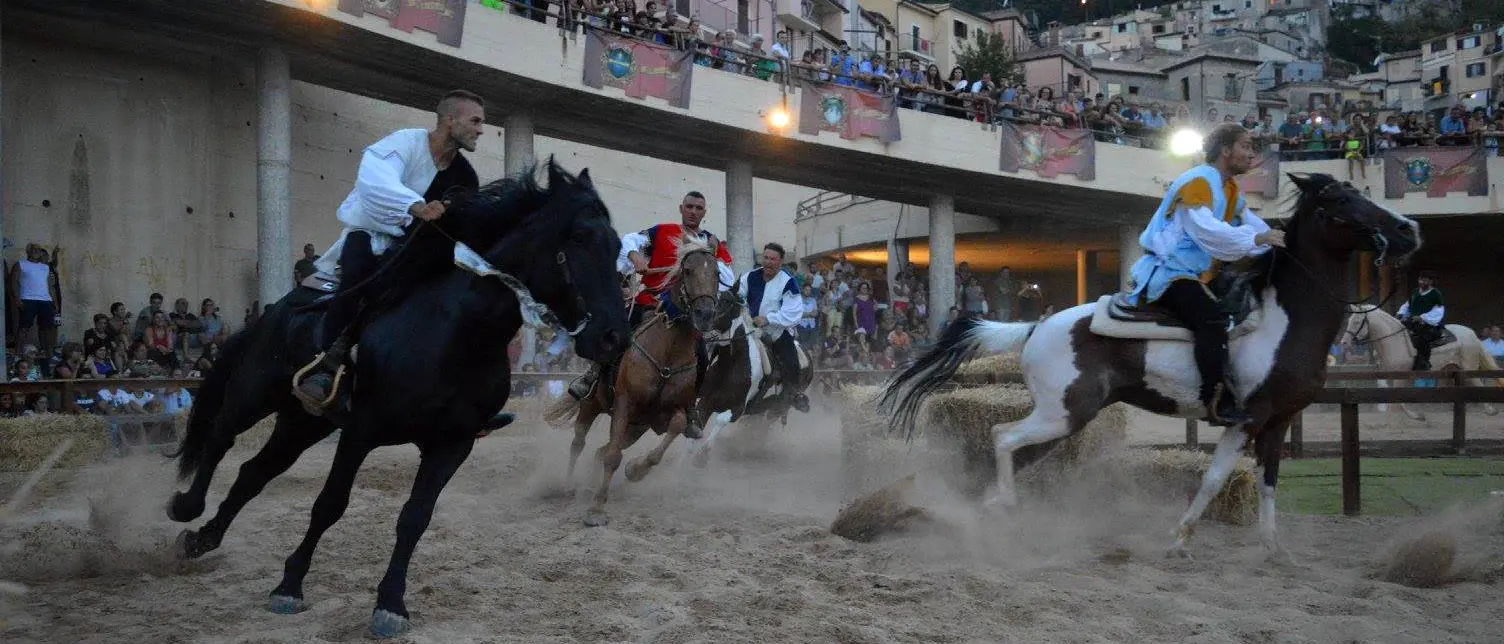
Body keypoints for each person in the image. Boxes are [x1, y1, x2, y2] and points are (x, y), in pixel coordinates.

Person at [293, 89, 486, 410]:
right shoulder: (404, 143)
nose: (481, 130)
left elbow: (464, 215)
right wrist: (415, 206)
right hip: (369, 236)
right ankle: (328, 364)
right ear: (450, 119)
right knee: (361, 280)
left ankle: (463, 395)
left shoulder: (466, 176)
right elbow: (375, 177)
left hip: (418, 254)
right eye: (476, 121)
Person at [1125, 122, 1286, 427]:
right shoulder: (1198, 181)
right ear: (1226, 150)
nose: (1251, 154)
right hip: (1169, 272)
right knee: (1212, 318)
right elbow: (1206, 231)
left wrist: (1278, 240)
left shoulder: (1229, 188)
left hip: (1196, 274)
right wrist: (1258, 241)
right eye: (1246, 146)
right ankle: (1214, 401)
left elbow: (1250, 222)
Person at [566, 191, 734, 438]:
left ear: (704, 213)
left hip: (685, 315)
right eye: (689, 206)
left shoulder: (712, 243)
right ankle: (592, 377)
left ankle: (690, 411)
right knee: (616, 333)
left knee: (701, 355)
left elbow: (728, 276)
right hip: (650, 303)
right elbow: (630, 241)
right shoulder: (662, 231)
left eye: (699, 208)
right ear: (681, 208)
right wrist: (636, 258)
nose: (694, 212)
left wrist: (705, 267)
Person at [738, 243, 810, 413]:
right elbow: (738, 295)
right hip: (749, 328)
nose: (768, 262)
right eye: (766, 258)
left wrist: (769, 319)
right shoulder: (749, 277)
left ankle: (794, 392)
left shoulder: (788, 283)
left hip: (775, 332)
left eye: (773, 259)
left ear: (781, 261)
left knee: (789, 356)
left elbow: (794, 312)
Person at [1397, 271, 1444, 371]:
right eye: (1420, 280)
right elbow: (1407, 305)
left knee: (1421, 338)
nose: (1422, 282)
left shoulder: (1435, 294)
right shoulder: (1415, 292)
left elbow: (1438, 310)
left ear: (1430, 282)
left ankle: (1424, 363)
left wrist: (1422, 317)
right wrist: (1401, 313)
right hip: (1412, 322)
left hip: (1428, 324)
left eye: (1425, 280)